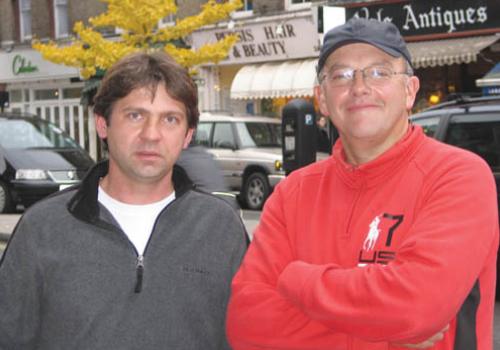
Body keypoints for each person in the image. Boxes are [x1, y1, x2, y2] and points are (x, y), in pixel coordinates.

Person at [226, 18, 499, 349]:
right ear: (322, 99)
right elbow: (247, 326)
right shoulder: (292, 192)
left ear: (410, 90)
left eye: (379, 72)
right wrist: (383, 331)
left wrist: (296, 280)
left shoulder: (457, 176)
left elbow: (414, 308)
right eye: (341, 76)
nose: (359, 87)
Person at [0, 52, 248, 349]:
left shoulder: (221, 229)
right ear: (103, 124)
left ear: (187, 135)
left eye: (170, 119)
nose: (151, 134)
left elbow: (248, 336)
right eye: (135, 115)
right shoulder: (42, 229)